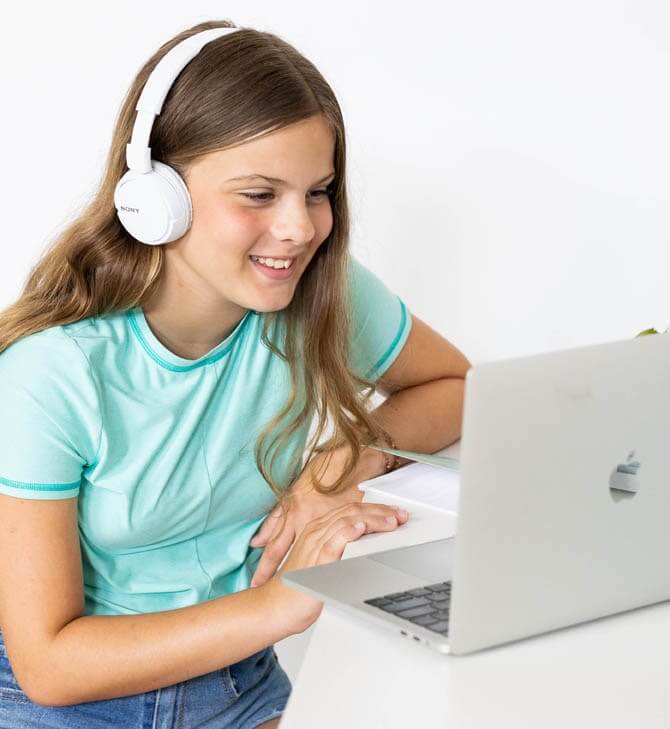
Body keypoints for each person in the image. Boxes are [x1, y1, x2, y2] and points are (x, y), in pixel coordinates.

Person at [0, 19, 470, 729]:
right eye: (259, 194)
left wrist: (343, 457)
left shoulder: (322, 293)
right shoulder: (52, 372)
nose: (300, 228)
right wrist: (287, 600)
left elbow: (457, 388)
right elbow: (50, 665)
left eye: (318, 191)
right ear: (155, 197)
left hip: (237, 685)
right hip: (68, 700)